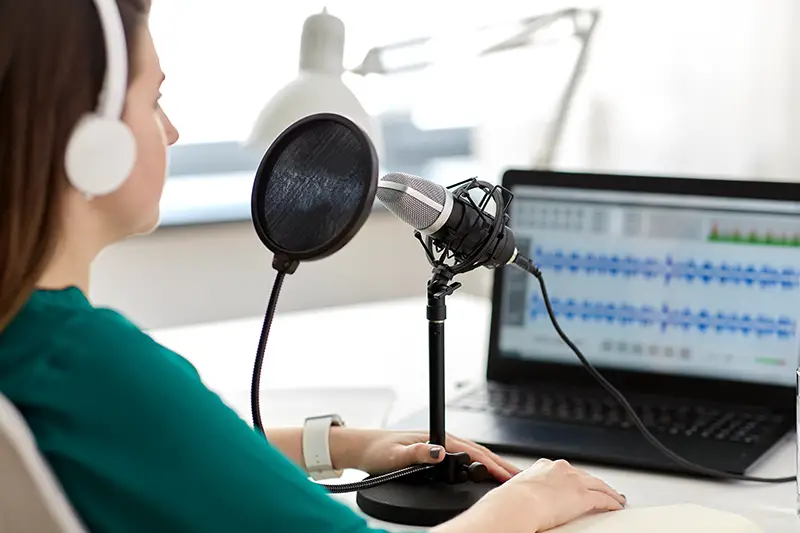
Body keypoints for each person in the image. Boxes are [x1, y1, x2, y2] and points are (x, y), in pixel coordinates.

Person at [0, 1, 627, 532]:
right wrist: (525, 503)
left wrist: (347, 446)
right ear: (89, 142)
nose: (172, 131)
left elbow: (156, 448)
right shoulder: (96, 366)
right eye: (154, 100)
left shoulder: (30, 342)